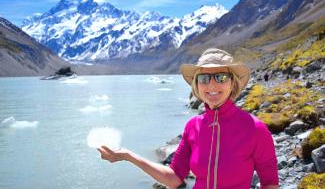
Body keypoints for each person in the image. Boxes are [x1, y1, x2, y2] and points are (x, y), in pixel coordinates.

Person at [97, 48, 279, 189]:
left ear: (232, 83)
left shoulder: (255, 129)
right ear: (196, 85)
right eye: (204, 78)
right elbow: (174, 178)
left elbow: (270, 183)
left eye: (221, 77)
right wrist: (129, 156)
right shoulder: (193, 126)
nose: (212, 84)